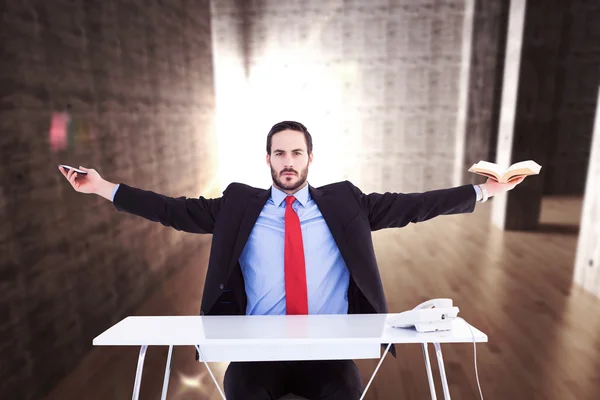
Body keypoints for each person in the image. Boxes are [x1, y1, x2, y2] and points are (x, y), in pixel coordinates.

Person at [59, 120, 525, 399]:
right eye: (279, 153)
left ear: (310, 159)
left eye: (296, 153)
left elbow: (412, 206)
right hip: (257, 350)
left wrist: (485, 190)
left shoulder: (346, 202)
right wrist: (103, 188)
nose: (288, 161)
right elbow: (173, 210)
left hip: (330, 349)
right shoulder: (237, 205)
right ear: (267, 159)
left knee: (345, 392)